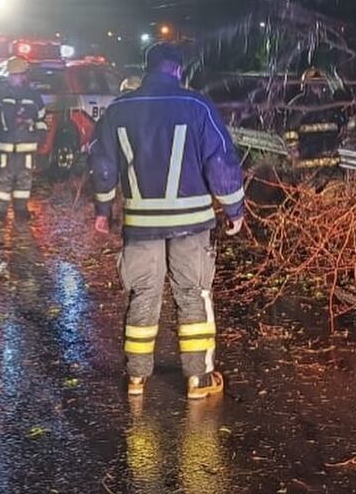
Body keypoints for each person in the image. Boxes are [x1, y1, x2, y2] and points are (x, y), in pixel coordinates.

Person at [89, 43, 245, 400]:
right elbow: (220, 162)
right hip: (192, 224)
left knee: (143, 293)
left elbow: (103, 166)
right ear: (177, 69)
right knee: (192, 294)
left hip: (141, 223)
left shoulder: (118, 110)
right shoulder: (196, 105)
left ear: (147, 69)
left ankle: (136, 380)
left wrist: (103, 211)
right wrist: (234, 209)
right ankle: (198, 380)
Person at [0, 56, 47, 221]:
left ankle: (21, 210)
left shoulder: (34, 96)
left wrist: (41, 137)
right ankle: (0, 213)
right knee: (2, 181)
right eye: (12, 75)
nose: (14, 78)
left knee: (24, 180)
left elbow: (41, 119)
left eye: (18, 75)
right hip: (5, 147)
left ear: (24, 76)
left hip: (27, 147)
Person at [283, 67, 346, 176]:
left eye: (320, 83)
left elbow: (340, 126)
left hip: (328, 158)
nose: (317, 86)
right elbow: (289, 131)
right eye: (313, 83)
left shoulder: (330, 104)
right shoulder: (297, 105)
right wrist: (294, 150)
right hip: (305, 157)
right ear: (306, 85)